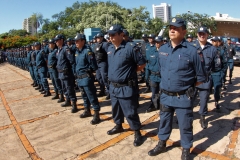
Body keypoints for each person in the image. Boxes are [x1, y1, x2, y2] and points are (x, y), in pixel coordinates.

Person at [148, 17, 205, 160]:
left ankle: (186, 148)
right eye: (170, 28)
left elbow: (200, 77)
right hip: (166, 96)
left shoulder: (192, 51)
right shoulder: (163, 49)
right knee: (164, 122)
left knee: (185, 125)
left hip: (183, 97)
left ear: (184, 31)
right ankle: (162, 143)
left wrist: (186, 88)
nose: (172, 30)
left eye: (176, 28)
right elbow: (162, 70)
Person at [106, 24, 146, 147]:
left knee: (130, 112)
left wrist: (130, 72)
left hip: (126, 87)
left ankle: (137, 132)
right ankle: (118, 125)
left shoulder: (131, 48)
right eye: (110, 35)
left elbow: (141, 64)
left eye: (113, 35)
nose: (111, 37)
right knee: (116, 110)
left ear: (121, 35)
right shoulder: (110, 49)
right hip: (113, 86)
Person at [191, 26, 218, 129]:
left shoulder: (212, 49)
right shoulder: (191, 47)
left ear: (207, 35)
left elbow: (216, 66)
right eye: (200, 34)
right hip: (192, 80)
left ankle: (202, 118)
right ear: (197, 35)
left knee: (204, 100)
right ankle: (186, 117)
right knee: (189, 100)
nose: (202, 35)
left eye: (204, 34)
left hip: (205, 81)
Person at [74, 33, 101, 124]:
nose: (76, 42)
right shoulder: (77, 52)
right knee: (84, 96)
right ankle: (87, 110)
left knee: (91, 96)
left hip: (86, 77)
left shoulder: (87, 51)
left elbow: (94, 66)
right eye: (75, 41)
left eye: (78, 41)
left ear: (83, 41)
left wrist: (88, 71)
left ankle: (96, 114)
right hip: (80, 78)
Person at [55, 34, 77, 112]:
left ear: (61, 40)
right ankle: (67, 100)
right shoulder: (59, 50)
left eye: (57, 40)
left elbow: (71, 60)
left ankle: (74, 104)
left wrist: (72, 70)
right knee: (64, 88)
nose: (56, 42)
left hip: (66, 73)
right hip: (60, 73)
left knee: (69, 88)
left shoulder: (66, 49)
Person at [145, 36, 163, 112]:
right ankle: (154, 105)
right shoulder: (151, 51)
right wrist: (146, 76)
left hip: (162, 77)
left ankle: (163, 107)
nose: (157, 44)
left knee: (163, 93)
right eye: (156, 42)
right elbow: (148, 64)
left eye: (158, 42)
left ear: (162, 42)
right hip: (153, 76)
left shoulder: (165, 52)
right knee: (154, 93)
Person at [211, 36, 226, 109]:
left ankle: (216, 101)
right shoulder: (208, 49)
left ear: (218, 42)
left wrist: (222, 73)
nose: (213, 42)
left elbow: (224, 63)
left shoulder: (221, 51)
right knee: (205, 89)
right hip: (209, 73)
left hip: (217, 73)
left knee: (217, 88)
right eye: (212, 41)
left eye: (215, 41)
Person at [94, 32, 110, 99]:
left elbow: (108, 54)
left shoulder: (105, 44)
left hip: (103, 62)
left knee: (104, 77)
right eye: (97, 38)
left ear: (102, 37)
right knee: (98, 78)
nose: (98, 39)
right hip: (97, 63)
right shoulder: (96, 45)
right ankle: (102, 90)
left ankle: (109, 92)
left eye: (99, 37)